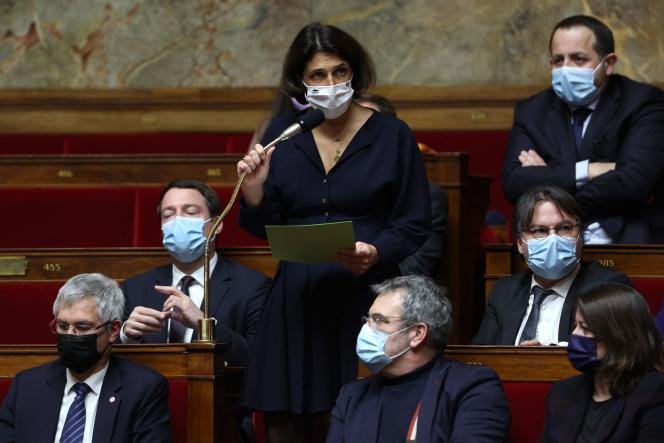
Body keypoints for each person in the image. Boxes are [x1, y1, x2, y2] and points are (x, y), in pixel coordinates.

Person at [236, 22, 431, 442]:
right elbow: (263, 227)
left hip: (369, 291)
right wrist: (253, 192)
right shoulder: (283, 135)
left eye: (339, 72)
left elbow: (415, 220)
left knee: (366, 416)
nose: (331, 83)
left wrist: (376, 251)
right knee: (284, 421)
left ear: (354, 73)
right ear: (301, 82)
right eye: (318, 76)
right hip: (297, 297)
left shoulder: (391, 134)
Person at [502, 15, 664, 244]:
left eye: (579, 59)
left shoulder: (643, 102)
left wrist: (547, 185)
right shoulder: (532, 111)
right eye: (558, 60)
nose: (566, 69)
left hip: (626, 240)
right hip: (552, 244)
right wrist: (588, 171)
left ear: (608, 63)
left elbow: (633, 183)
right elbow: (514, 183)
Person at [327, 275, 510, 442]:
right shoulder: (352, 395)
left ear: (417, 333)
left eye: (379, 319)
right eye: (367, 320)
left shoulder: (473, 387)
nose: (366, 329)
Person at [0, 273, 171, 442]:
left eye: (82, 327)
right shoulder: (27, 385)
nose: (70, 335)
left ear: (112, 330)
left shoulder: (143, 389)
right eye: (62, 325)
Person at [120, 179, 271, 366]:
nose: (177, 221)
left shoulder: (252, 287)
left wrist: (205, 324)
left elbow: (261, 360)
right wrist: (127, 336)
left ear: (217, 224)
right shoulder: (135, 288)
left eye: (190, 212)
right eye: (168, 215)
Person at [473, 185, 630, 346]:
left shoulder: (607, 287)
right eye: (539, 230)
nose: (553, 239)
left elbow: (617, 353)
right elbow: (482, 358)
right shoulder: (504, 291)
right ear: (520, 243)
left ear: (580, 236)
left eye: (564, 228)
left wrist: (549, 355)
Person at [541, 283, 664, 442]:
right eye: (575, 325)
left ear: (618, 336)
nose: (574, 334)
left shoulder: (654, 393)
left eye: (585, 328)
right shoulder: (564, 391)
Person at [357, 93, 448, 278]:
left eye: (367, 126)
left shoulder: (429, 195)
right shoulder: (334, 189)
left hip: (389, 292)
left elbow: (417, 266)